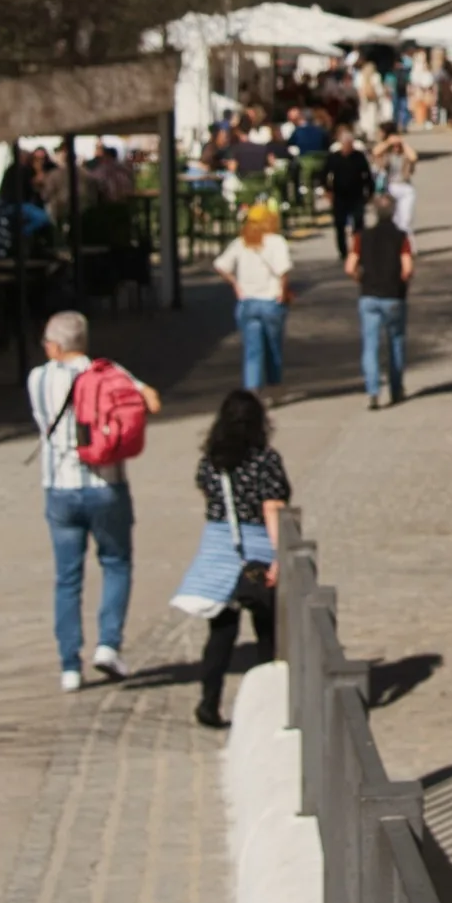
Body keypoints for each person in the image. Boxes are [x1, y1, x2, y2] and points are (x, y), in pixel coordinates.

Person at [27, 309, 160, 690]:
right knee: (116, 563)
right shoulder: (110, 372)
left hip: (60, 488)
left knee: (67, 578)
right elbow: (150, 402)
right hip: (107, 484)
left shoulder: (37, 379)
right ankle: (108, 645)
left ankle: (70, 666)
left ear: (55, 346)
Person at [174, 389, 291, 729]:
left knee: (221, 632)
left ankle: (209, 702)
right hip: (256, 549)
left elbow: (207, 492)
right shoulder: (265, 460)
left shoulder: (211, 462)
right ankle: (273, 705)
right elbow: (272, 508)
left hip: (218, 549)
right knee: (267, 630)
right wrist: (280, 556)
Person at [214, 202, 293, 392]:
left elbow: (220, 265)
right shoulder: (276, 241)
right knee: (273, 349)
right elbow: (283, 272)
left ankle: (252, 391)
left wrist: (235, 284)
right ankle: (274, 387)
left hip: (247, 303)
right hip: (271, 302)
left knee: (252, 350)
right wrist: (283, 292)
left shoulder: (241, 242)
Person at [347, 190, 412, 408]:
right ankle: (396, 388)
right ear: (394, 212)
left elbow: (350, 266)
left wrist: (361, 278)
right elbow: (407, 269)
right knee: (396, 342)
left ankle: (373, 391)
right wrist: (401, 281)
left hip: (369, 295)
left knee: (370, 345)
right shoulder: (401, 236)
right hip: (393, 295)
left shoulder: (362, 237)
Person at [325, 127, 374, 264]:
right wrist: (328, 191)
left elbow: (367, 175)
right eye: (346, 144)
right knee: (340, 225)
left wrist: (370, 192)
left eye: (350, 144)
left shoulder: (359, 157)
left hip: (356, 195)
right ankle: (343, 252)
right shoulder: (334, 157)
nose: (348, 147)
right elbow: (325, 175)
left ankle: (358, 250)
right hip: (340, 196)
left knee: (358, 225)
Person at [379, 137, 418, 237]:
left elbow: (413, 157)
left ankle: (406, 241)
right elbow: (376, 152)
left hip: (405, 187)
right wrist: (388, 142)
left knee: (406, 219)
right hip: (391, 187)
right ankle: (394, 241)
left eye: (398, 146)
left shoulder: (406, 156)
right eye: (394, 146)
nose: (396, 148)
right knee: (394, 219)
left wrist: (403, 142)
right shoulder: (388, 156)